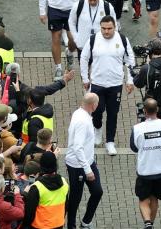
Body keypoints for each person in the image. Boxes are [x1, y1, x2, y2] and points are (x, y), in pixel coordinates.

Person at [80, 16, 134, 156]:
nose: (106, 31)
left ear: (114, 27)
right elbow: (84, 58)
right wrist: (85, 78)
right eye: (103, 28)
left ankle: (110, 141)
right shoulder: (93, 39)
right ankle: (97, 129)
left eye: (109, 28)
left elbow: (130, 60)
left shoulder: (122, 39)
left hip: (115, 85)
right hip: (97, 83)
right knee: (97, 111)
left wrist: (130, 81)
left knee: (112, 114)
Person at [130, 98, 161, 229]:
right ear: (157, 110)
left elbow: (134, 148)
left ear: (144, 111)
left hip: (146, 171)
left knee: (143, 199)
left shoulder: (137, 128)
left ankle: (147, 223)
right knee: (154, 198)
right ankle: (151, 224)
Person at [65, 93, 102, 229]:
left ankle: (86, 222)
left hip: (88, 162)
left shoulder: (80, 113)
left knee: (97, 191)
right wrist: (87, 169)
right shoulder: (82, 121)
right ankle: (71, 226)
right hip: (77, 166)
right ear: (93, 105)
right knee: (75, 198)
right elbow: (77, 147)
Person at [23, 151, 68, 229]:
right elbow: (66, 206)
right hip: (58, 224)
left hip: (40, 226)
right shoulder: (64, 182)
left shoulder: (37, 187)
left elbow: (29, 213)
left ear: (41, 166)